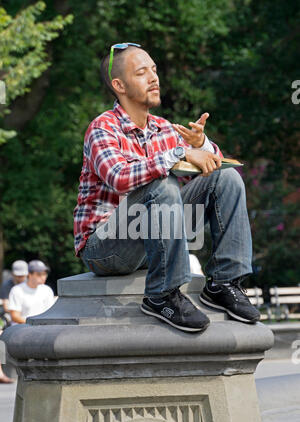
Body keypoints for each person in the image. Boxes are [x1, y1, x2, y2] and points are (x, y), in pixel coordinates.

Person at [74, 43, 260, 333]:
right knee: (161, 183)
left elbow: (212, 165)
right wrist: (179, 155)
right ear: (119, 85)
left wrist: (200, 145)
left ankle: (224, 283)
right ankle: (162, 295)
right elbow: (119, 177)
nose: (154, 77)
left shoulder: (164, 129)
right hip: (107, 246)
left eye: (154, 70)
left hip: (154, 236)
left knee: (227, 178)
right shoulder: (103, 128)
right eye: (142, 72)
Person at [0, 260, 28, 383]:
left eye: (22, 275)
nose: (20, 278)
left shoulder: (33, 285)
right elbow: (7, 307)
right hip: (11, 319)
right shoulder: (8, 285)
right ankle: (0, 373)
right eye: (18, 275)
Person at [8, 260, 55, 324]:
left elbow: (51, 313)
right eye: (39, 274)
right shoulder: (17, 290)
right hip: (22, 328)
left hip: (42, 328)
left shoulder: (47, 290)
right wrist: (34, 323)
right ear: (29, 275)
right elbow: (15, 316)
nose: (43, 277)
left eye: (44, 274)